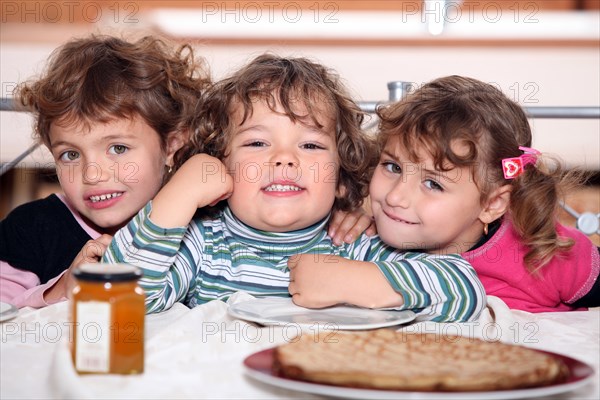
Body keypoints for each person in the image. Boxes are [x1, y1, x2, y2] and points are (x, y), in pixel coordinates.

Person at [103, 55, 486, 322]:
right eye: (257, 143)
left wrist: (360, 280)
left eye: (310, 145)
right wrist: (179, 194)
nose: (284, 160)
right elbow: (114, 299)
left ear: (340, 177)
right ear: (222, 165)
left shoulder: (355, 245)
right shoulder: (202, 246)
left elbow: (465, 290)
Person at [0, 34, 211, 308]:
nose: (92, 174)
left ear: (171, 146)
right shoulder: (29, 230)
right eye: (71, 154)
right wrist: (61, 289)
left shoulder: (205, 227)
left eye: (118, 149)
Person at [365, 75, 598, 312]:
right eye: (393, 167)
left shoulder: (541, 255)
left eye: (433, 184)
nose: (394, 197)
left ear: (492, 204)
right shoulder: (363, 240)